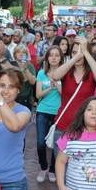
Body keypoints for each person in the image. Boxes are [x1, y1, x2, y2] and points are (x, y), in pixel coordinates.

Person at [47, 37, 96, 190]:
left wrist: (86, 52)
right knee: (62, 175)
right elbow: (54, 74)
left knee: (81, 175)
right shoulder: (67, 71)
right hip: (64, 129)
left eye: (82, 49)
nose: (79, 52)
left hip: (84, 133)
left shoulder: (90, 74)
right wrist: (74, 58)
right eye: (75, 49)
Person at [35, 46, 63, 183]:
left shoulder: (65, 74)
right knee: (41, 143)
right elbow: (38, 94)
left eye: (57, 55)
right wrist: (50, 87)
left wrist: (57, 85)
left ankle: (52, 169)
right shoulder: (41, 73)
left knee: (55, 144)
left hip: (58, 113)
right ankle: (43, 167)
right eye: (51, 55)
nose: (53, 58)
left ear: (61, 58)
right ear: (47, 58)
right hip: (43, 111)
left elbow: (67, 95)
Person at [12, 44, 37, 111]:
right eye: (18, 52)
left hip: (26, 98)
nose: (21, 54)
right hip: (12, 97)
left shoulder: (30, 66)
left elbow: (33, 82)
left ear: (26, 54)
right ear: (15, 54)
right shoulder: (10, 64)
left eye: (23, 52)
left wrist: (25, 69)